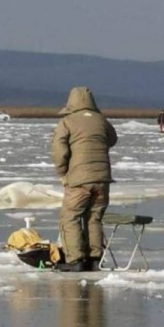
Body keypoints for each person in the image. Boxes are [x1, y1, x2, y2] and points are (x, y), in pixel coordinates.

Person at [51, 87, 118, 272]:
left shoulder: (67, 121)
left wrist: (62, 172)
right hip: (102, 180)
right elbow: (112, 139)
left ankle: (75, 260)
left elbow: (59, 150)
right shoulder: (102, 120)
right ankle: (95, 258)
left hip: (79, 180)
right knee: (94, 217)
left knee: (70, 217)